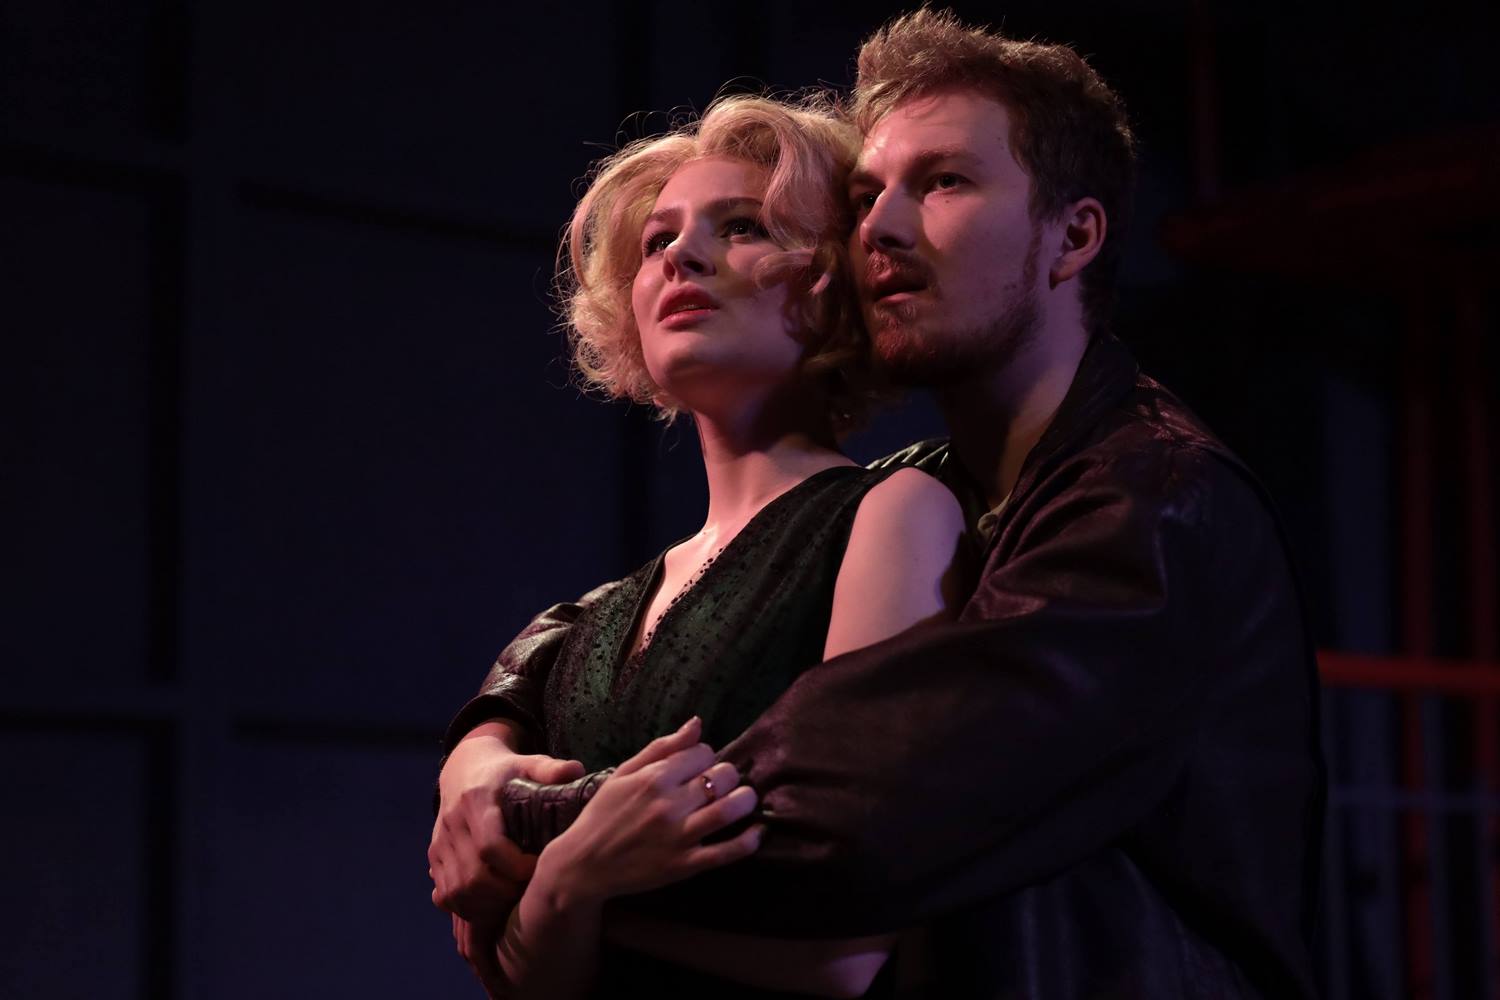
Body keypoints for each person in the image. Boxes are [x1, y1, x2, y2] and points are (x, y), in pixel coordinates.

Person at [433, 10, 1326, 999]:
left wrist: (536, 847)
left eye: (943, 183)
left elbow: (848, 829)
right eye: (866, 196)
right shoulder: (954, 476)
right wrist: (480, 752)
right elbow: (608, 623)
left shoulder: (1147, 499)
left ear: (1073, 236)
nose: (881, 230)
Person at [430, 92, 970, 997]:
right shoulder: (591, 620)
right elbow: (502, 967)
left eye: (743, 226)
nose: (680, 254)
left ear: (837, 277)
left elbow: (838, 949)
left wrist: (564, 885)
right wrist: (562, 883)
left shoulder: (894, 513)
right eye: (657, 242)